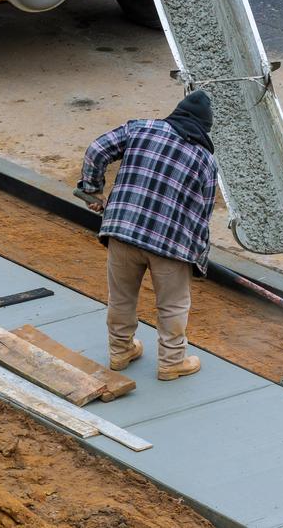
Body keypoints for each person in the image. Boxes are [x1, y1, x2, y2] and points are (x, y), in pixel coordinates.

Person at [77, 90, 218, 381]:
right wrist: (197, 260)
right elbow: (202, 215)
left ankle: (120, 352)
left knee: (121, 297)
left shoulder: (140, 128)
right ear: (204, 128)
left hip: (122, 231)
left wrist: (92, 190)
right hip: (171, 245)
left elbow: (96, 149)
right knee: (173, 305)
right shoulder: (206, 160)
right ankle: (171, 362)